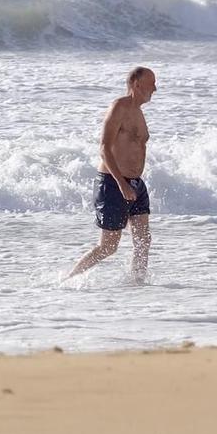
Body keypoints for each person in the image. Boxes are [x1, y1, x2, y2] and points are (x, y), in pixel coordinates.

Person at [66, 66, 155, 283]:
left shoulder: (139, 113)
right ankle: (68, 280)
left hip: (135, 184)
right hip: (114, 183)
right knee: (108, 246)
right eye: (151, 83)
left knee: (143, 240)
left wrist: (132, 183)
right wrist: (122, 184)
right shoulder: (119, 107)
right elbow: (104, 148)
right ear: (136, 84)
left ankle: (137, 283)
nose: (155, 88)